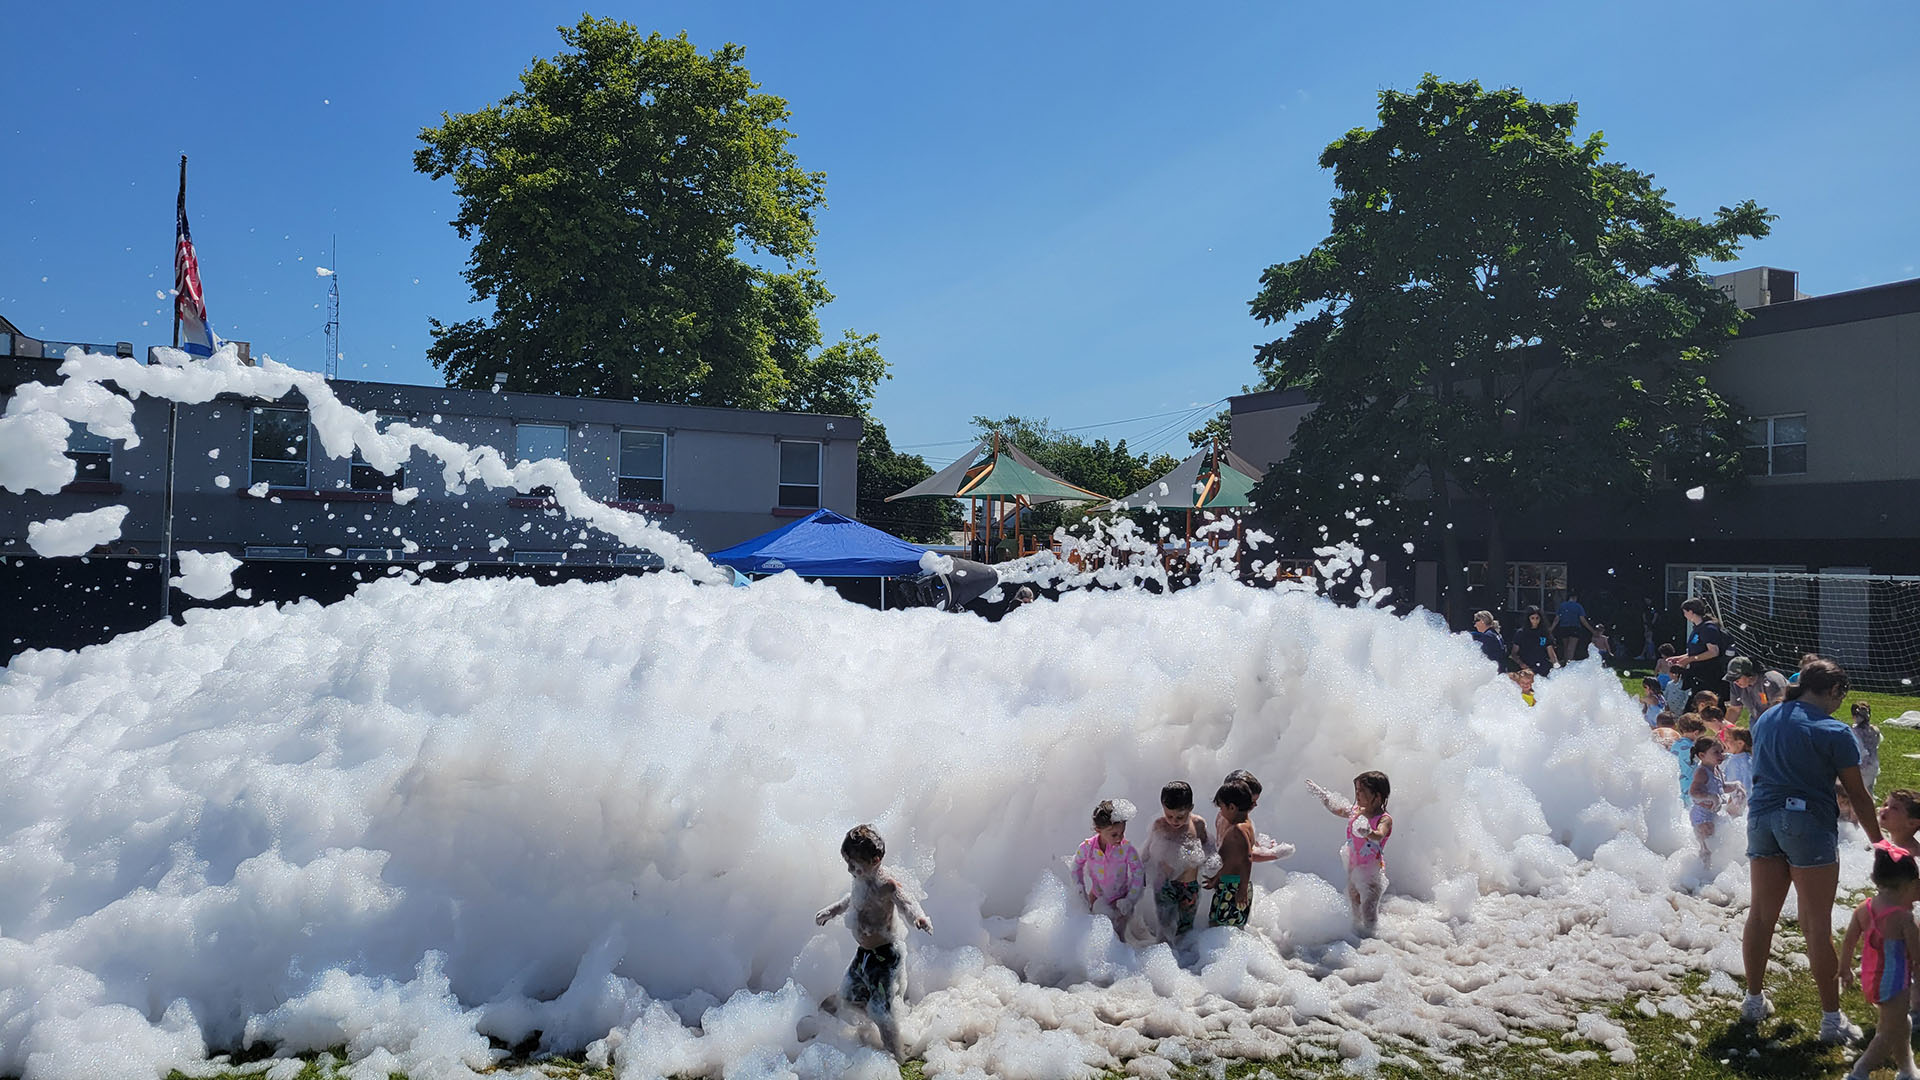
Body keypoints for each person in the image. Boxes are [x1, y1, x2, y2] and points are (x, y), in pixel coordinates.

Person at [1740, 659, 1883, 1042]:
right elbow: (1858, 794)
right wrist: (1879, 840)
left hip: (1761, 820)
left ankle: (1753, 1001)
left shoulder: (1768, 716)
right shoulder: (1833, 729)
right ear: (1835, 691)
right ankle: (1831, 1020)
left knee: (1760, 915)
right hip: (1806, 824)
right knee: (1816, 925)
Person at [815, 824, 933, 1059]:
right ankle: (877, 1021)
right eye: (847, 863)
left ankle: (895, 1055)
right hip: (864, 955)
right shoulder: (861, 879)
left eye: (854, 865)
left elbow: (906, 902)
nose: (849, 869)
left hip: (886, 956)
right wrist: (833, 910)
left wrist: (918, 918)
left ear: (875, 860)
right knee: (849, 995)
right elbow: (853, 899)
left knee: (882, 1011)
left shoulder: (885, 884)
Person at [1837, 841, 1920, 1080]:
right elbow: (1917, 956)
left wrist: (1844, 968)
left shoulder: (1865, 908)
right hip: (1895, 982)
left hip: (1872, 977)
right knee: (1888, 1032)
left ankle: (1907, 1069)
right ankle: (1860, 1071)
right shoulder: (1904, 918)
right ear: (1908, 886)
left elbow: (1849, 940)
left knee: (1900, 1024)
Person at [1307, 772, 1394, 932]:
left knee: (1368, 911)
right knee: (1355, 905)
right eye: (1356, 790)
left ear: (1377, 796)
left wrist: (1368, 832)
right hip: (1354, 870)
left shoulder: (1383, 818)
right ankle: (1357, 941)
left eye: (1362, 791)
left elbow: (1380, 833)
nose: (1357, 794)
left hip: (1373, 874)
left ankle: (1374, 941)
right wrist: (1322, 794)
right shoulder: (1356, 811)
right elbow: (1336, 809)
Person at [1133, 782, 1213, 942]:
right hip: (1164, 884)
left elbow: (1207, 846)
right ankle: (1165, 951)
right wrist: (1139, 871)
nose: (1174, 821)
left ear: (1190, 808)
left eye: (1180, 817)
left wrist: (1207, 861)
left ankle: (1183, 953)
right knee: (1165, 922)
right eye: (1169, 815)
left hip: (1188, 885)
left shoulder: (1198, 824)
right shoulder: (1159, 825)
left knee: (1185, 924)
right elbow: (1147, 851)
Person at [1071, 799, 1144, 924]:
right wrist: (1080, 889)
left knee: (1120, 933)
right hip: (1097, 896)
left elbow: (1138, 872)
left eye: (1122, 832)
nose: (1120, 838)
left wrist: (1130, 899)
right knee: (1093, 927)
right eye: (1114, 835)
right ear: (1099, 830)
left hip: (1121, 898)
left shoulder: (1126, 848)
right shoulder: (1087, 847)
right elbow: (1076, 866)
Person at [1205, 781, 1256, 928]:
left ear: (1232, 807)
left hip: (1233, 888)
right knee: (1223, 925)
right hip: (1231, 884)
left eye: (1222, 807)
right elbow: (1233, 860)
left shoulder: (1238, 830)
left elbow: (1247, 859)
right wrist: (1216, 878)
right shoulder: (1247, 825)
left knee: (1220, 925)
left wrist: (1242, 889)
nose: (1220, 812)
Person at [1688, 737, 1741, 857]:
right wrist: (1711, 797)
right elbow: (1693, 792)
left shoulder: (1716, 769)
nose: (1721, 755)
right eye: (1716, 752)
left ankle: (1711, 870)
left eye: (1721, 751)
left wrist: (1736, 786)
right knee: (1707, 849)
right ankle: (1703, 873)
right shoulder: (1701, 772)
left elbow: (1722, 787)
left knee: (1715, 845)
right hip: (1701, 816)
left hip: (1712, 813)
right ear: (1702, 755)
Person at [1671, 598, 1732, 697]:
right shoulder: (1697, 628)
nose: (1684, 615)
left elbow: (1713, 652)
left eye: (1685, 612)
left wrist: (1689, 660)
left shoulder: (1708, 629)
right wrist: (1680, 658)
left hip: (1709, 674)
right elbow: (1697, 650)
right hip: (1698, 674)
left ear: (1691, 611)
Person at [1726, 657, 1789, 727]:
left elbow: (1782, 708)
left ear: (1749, 674)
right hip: (1757, 721)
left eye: (1737, 678)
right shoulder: (1736, 685)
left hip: (1780, 720)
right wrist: (1724, 730)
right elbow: (1735, 709)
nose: (1735, 682)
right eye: (1732, 679)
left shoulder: (1771, 680)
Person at [1509, 607, 1558, 676]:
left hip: (1542, 667)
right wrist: (1521, 663)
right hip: (1526, 668)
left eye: (1537, 618)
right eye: (1532, 618)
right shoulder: (1521, 633)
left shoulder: (1544, 633)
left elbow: (1551, 653)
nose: (1535, 621)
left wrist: (1557, 667)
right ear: (1528, 619)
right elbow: (1513, 653)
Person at [1551, 589, 1595, 664]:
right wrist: (1592, 630)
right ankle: (1569, 664)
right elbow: (1582, 620)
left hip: (1563, 627)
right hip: (1574, 627)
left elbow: (1557, 619)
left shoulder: (1562, 605)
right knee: (1571, 648)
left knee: (1565, 647)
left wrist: (1551, 628)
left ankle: (1565, 663)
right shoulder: (1578, 606)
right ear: (1575, 597)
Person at [1854, 702, 1883, 799]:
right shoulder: (1875, 730)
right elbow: (1877, 744)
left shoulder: (1853, 731)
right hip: (1873, 763)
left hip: (1859, 765)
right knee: (1869, 788)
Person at [1673, 715, 1707, 797]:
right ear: (1696, 733)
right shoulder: (1694, 748)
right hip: (1692, 787)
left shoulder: (1675, 745)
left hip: (1678, 786)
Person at [1723, 728, 1754, 815]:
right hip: (1736, 801)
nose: (1724, 741)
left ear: (1740, 743)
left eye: (1728, 739)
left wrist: (1733, 809)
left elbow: (1745, 788)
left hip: (1740, 806)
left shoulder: (1742, 762)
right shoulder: (1735, 758)